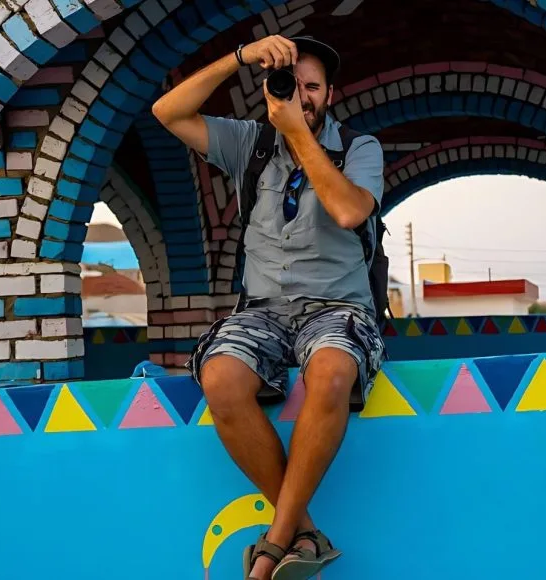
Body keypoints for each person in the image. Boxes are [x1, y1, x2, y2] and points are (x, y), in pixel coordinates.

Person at [151, 35, 385, 580]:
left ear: (330, 94)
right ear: (268, 89)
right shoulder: (250, 143)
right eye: (290, 84)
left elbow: (349, 212)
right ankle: (304, 532)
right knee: (220, 377)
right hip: (262, 311)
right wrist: (240, 57)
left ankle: (274, 544)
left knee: (331, 373)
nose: (301, 96)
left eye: (312, 87)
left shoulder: (360, 148)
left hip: (337, 307)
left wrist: (298, 133)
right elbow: (168, 112)